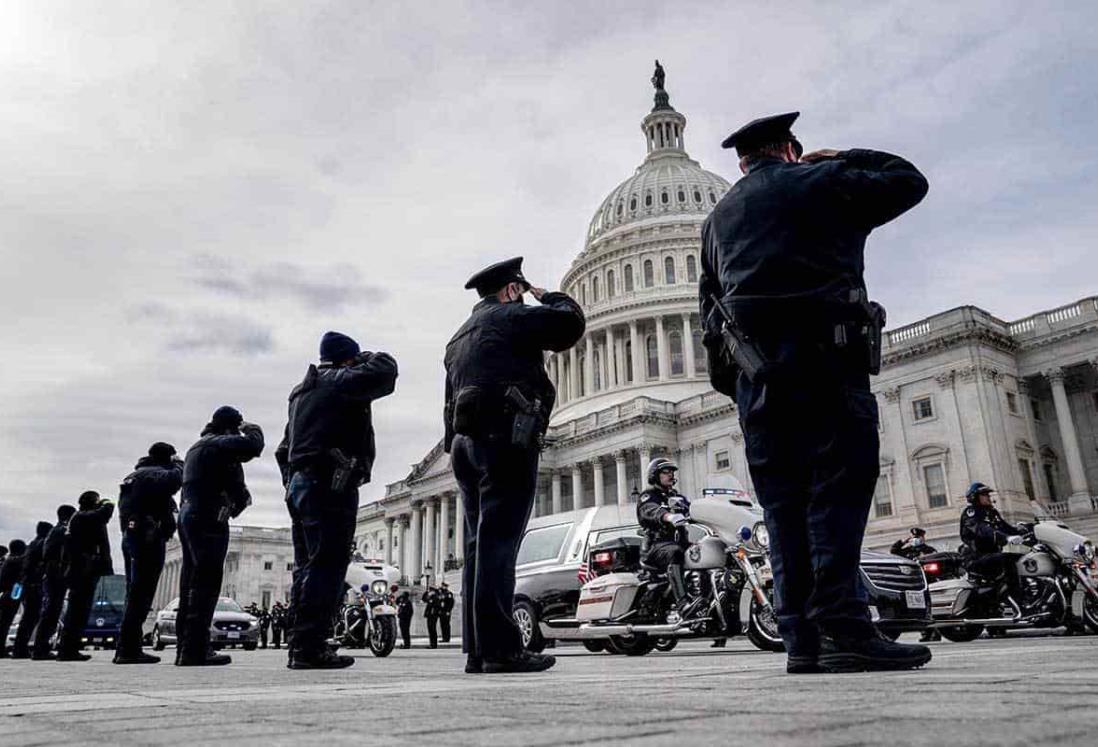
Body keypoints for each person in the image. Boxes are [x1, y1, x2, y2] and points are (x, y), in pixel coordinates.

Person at [700, 112, 930, 674]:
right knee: (838, 492)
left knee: (782, 508)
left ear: (742, 161)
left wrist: (741, 385)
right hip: (828, 363)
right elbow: (908, 180)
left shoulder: (716, 219)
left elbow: (709, 318)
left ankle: (800, 638)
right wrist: (841, 157)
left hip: (761, 382)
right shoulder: (818, 180)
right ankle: (844, 628)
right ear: (790, 148)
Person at [445, 256, 585, 674]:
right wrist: (551, 297)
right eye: (520, 292)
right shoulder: (511, 317)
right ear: (510, 290)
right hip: (505, 438)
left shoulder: (458, 336)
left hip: (463, 446)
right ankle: (502, 650)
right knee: (499, 547)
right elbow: (569, 327)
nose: (524, 299)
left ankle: (478, 650)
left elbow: (448, 401)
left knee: (477, 548)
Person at [275, 330, 398, 670]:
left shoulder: (300, 392)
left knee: (307, 567)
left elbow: (283, 449)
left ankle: (300, 645)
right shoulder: (340, 380)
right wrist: (365, 358)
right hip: (329, 484)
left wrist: (292, 480)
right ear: (348, 359)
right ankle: (311, 648)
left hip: (300, 485)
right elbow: (387, 370)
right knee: (328, 565)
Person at [177, 406, 264, 666]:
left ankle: (186, 646)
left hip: (189, 514)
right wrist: (249, 426)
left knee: (190, 582)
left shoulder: (198, 446)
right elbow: (253, 445)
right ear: (230, 427)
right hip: (208, 515)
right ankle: (195, 650)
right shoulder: (218, 443)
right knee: (206, 582)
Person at [115, 442, 183, 664]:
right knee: (141, 595)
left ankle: (127, 646)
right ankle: (128, 649)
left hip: (132, 536)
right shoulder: (153, 475)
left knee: (134, 593)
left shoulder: (134, 475)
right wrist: (179, 464)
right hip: (147, 537)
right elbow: (175, 481)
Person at [636, 458, 699, 619]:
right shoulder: (648, 496)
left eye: (672, 472)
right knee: (675, 552)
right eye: (665, 472)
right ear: (655, 475)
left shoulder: (677, 497)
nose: (670, 474)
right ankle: (683, 604)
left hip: (679, 543)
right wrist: (667, 516)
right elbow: (649, 510)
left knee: (705, 551)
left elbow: (694, 510)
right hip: (656, 547)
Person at [57, 492, 115, 661]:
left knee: (79, 611)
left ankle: (69, 649)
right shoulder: (83, 516)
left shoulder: (81, 518)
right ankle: (68, 650)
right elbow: (106, 512)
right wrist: (107, 502)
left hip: (82, 570)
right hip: (82, 570)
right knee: (78, 611)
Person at [959, 482, 1026, 598]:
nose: (988, 497)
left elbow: (1006, 527)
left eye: (988, 494)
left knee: (1023, 553)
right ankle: (1017, 597)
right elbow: (982, 529)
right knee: (1008, 558)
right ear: (975, 497)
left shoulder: (992, 513)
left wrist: (1026, 531)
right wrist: (1005, 538)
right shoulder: (971, 513)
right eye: (984, 494)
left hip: (992, 554)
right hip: (977, 557)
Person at [32, 505, 76, 660]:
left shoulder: (54, 531)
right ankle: (41, 648)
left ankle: (41, 647)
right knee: (51, 612)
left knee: (51, 612)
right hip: (56, 576)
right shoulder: (62, 531)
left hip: (52, 575)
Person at [10, 522, 53, 658]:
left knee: (27, 618)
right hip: (34, 585)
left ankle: (19, 648)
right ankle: (22, 648)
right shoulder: (41, 544)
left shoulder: (31, 545)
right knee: (31, 617)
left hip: (28, 585)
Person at [0, 539, 27, 658]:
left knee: (4, 623)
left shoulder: (8, 560)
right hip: (12, 593)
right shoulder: (14, 561)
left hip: (7, 593)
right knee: (5, 622)